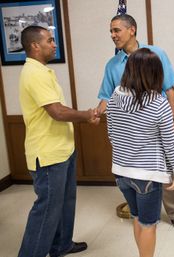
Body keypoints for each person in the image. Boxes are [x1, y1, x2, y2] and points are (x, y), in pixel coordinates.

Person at [96, 14, 174, 234]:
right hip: (132, 134)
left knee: (166, 167)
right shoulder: (112, 65)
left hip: (158, 124)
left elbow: (169, 89)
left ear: (132, 30)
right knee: (137, 178)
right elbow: (106, 98)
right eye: (111, 31)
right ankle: (142, 214)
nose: (112, 35)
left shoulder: (155, 54)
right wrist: (95, 113)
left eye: (116, 30)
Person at [18, 26, 98, 257]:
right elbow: (57, 112)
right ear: (35, 45)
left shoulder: (42, 71)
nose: (54, 44)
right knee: (46, 210)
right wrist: (86, 114)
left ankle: (61, 245)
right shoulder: (34, 73)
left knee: (65, 203)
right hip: (48, 154)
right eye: (50, 40)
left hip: (63, 149)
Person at [106, 48, 174, 257]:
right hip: (148, 175)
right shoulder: (158, 102)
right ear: (154, 73)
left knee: (137, 217)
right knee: (149, 224)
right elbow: (169, 142)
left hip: (121, 172)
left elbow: (111, 134)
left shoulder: (114, 96)